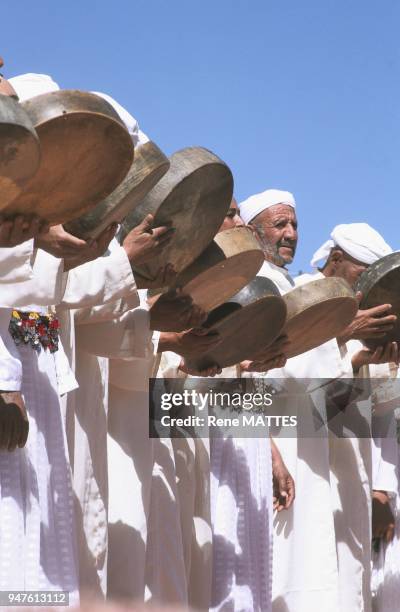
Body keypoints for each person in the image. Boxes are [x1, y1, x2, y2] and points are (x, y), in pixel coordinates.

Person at [239, 190, 385, 612]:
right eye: (279, 224)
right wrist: (336, 335)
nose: (289, 234)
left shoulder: (287, 283)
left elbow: (332, 398)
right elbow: (267, 372)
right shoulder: (260, 287)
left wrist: (356, 360)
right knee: (286, 568)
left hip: (317, 449)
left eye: (295, 225)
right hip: (279, 441)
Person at [157, 198, 294, 612]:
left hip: (240, 439)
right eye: (230, 213)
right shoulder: (168, 277)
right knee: (198, 562)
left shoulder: (240, 283)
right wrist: (184, 354)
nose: (239, 223)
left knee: (243, 564)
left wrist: (269, 447)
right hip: (191, 437)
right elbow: (163, 359)